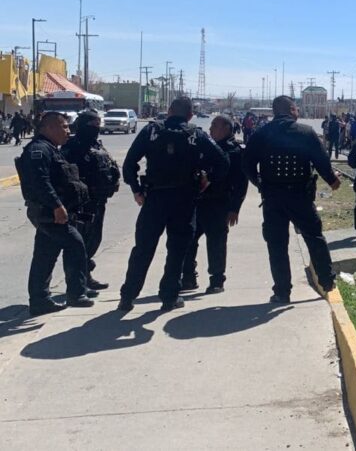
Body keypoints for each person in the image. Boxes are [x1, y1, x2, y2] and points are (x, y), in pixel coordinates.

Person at [119, 97, 228, 311]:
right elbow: (222, 160)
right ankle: (169, 297)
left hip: (154, 199)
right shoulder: (196, 134)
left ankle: (127, 296)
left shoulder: (151, 131)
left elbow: (129, 163)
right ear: (190, 115)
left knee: (143, 248)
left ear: (169, 111)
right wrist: (207, 178)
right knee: (177, 250)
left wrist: (136, 190)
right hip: (184, 200)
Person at [244, 96, 340, 303]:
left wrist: (261, 184)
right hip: (300, 196)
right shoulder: (305, 132)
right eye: (296, 108)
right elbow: (321, 160)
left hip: (272, 198)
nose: (298, 112)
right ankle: (327, 280)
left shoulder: (261, 134)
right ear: (290, 110)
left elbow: (248, 165)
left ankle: (282, 291)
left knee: (277, 244)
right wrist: (332, 180)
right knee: (314, 237)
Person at [15, 112, 95, 316]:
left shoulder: (51, 149)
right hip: (48, 212)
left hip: (51, 211)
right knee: (76, 245)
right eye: (64, 127)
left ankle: (40, 300)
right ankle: (76, 294)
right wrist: (56, 206)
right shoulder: (39, 150)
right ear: (49, 128)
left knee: (44, 254)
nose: (68, 131)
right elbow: (40, 182)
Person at [182, 115, 249, 293]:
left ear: (227, 128)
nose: (211, 129)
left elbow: (241, 183)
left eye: (215, 125)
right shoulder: (206, 146)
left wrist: (235, 208)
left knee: (216, 242)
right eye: (211, 125)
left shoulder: (235, 152)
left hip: (219, 203)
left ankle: (217, 280)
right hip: (198, 202)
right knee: (188, 240)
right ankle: (188, 277)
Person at [61, 111, 120, 291]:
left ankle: (85, 276)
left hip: (99, 200)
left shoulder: (97, 145)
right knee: (78, 243)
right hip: (80, 204)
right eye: (93, 125)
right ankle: (76, 284)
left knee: (93, 240)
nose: (96, 128)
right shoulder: (71, 147)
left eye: (98, 125)